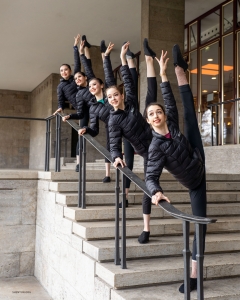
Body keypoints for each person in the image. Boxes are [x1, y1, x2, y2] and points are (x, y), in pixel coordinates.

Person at [145, 45, 207, 293]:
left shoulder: (170, 121)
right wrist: (156, 192)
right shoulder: (155, 148)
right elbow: (150, 175)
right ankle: (193, 276)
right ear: (148, 120)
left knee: (189, 115)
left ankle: (180, 69)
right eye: (152, 113)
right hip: (195, 182)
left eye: (158, 111)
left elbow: (169, 99)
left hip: (195, 153)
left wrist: (163, 74)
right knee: (199, 225)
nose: (157, 114)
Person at [108, 38, 157, 243]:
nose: (113, 99)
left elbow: (129, 82)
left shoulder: (131, 105)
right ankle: (146, 229)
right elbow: (113, 142)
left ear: (120, 95)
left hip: (156, 141)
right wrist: (116, 156)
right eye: (109, 97)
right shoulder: (113, 120)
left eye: (115, 95)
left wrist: (121, 58)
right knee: (149, 185)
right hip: (145, 151)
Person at [78, 41, 137, 205]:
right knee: (122, 162)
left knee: (130, 161)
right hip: (116, 133)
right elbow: (95, 129)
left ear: (101, 86)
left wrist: (106, 57)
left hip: (129, 128)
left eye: (94, 84)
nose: (91, 87)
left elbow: (107, 76)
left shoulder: (110, 96)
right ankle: (124, 197)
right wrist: (86, 129)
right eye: (89, 86)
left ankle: (128, 192)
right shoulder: (93, 108)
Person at [54, 34, 81, 115]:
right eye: (61, 70)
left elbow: (77, 63)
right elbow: (60, 101)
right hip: (79, 108)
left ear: (70, 71)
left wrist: (75, 47)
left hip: (88, 102)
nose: (64, 72)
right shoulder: (60, 86)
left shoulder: (76, 78)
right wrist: (60, 108)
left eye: (66, 69)